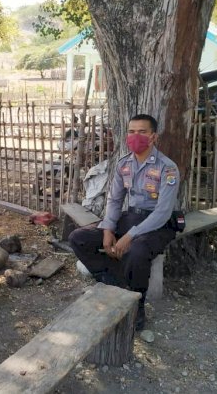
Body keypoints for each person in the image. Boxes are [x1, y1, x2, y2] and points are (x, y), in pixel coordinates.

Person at [68, 114, 179, 330]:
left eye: (142, 132)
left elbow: (162, 213)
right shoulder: (123, 164)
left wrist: (129, 235)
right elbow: (115, 199)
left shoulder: (167, 168)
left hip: (158, 224)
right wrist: (108, 228)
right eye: (131, 131)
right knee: (78, 238)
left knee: (136, 251)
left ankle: (137, 304)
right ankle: (112, 281)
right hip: (131, 217)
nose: (135, 136)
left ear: (153, 137)